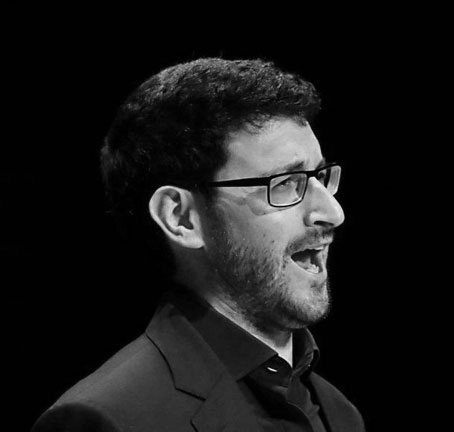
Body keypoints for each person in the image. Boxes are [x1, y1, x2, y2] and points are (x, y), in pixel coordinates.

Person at [32, 58, 365, 432]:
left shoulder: (340, 414)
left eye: (320, 176)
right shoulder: (109, 418)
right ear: (181, 218)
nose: (333, 212)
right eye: (286, 183)